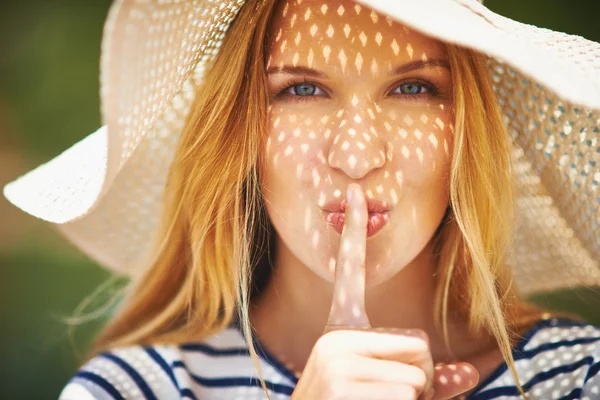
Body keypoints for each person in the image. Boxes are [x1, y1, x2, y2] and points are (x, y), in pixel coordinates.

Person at [4, 0, 600, 399]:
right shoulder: (135, 389)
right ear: (240, 135)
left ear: (467, 131)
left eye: (413, 87)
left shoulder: (577, 378)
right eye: (303, 89)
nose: (358, 155)